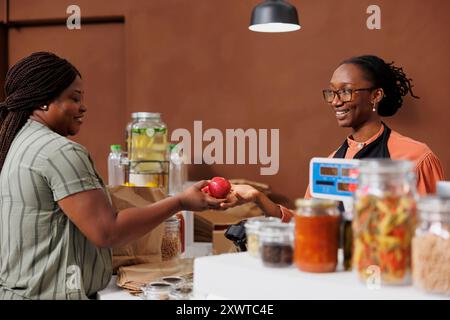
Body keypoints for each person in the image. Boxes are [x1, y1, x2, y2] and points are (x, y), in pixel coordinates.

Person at [0, 52, 226, 300]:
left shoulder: (18, 141)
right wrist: (180, 202)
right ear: (43, 101)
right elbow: (107, 231)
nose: (83, 106)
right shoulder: (60, 151)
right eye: (74, 98)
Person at [222, 55, 445, 222]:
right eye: (331, 93)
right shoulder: (331, 163)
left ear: (376, 95)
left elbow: (436, 231)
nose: (336, 101)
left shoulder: (416, 158)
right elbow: (309, 223)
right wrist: (257, 198)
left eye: (346, 91)